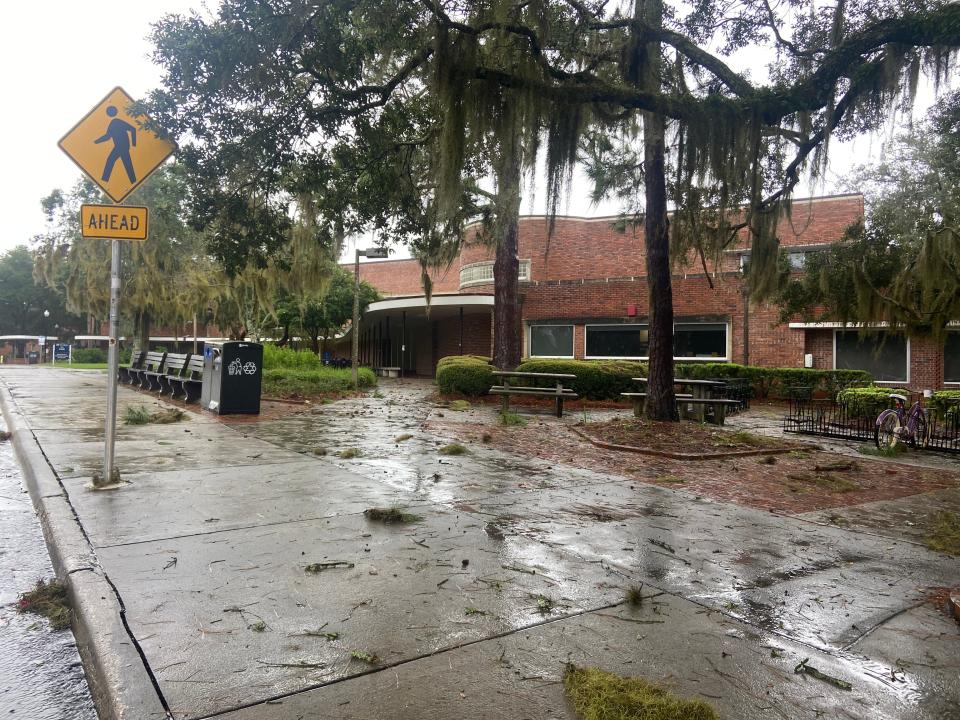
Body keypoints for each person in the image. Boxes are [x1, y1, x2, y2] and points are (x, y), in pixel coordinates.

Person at [94, 106, 137, 184]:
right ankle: (133, 180)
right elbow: (107, 137)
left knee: (112, 160)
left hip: (122, 146)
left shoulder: (117, 122)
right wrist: (96, 141)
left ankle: (105, 180)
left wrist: (134, 144)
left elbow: (133, 129)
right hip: (119, 146)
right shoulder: (113, 123)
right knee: (126, 163)